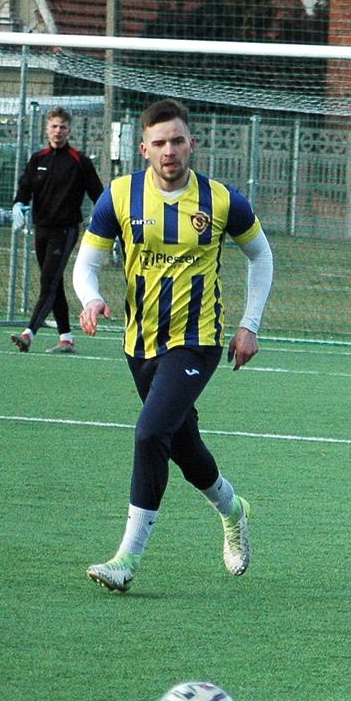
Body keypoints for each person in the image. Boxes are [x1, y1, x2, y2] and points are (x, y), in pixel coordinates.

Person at [72, 99, 273, 593]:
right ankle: (233, 509)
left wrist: (249, 324)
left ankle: (127, 558)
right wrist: (92, 299)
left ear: (192, 144)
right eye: (159, 143)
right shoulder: (119, 197)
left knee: (148, 434)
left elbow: (261, 257)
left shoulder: (222, 200)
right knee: (183, 446)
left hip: (196, 341)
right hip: (139, 344)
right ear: (143, 148)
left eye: (178, 141)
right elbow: (87, 264)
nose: (169, 151)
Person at [10, 107, 105, 354]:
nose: (58, 131)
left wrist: (108, 221)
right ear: (47, 129)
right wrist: (18, 205)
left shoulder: (79, 161)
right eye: (54, 126)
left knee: (48, 282)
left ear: (69, 130)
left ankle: (28, 334)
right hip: (41, 229)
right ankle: (67, 339)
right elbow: (25, 188)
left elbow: (99, 195)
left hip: (65, 230)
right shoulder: (38, 159)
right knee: (53, 284)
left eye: (63, 127)